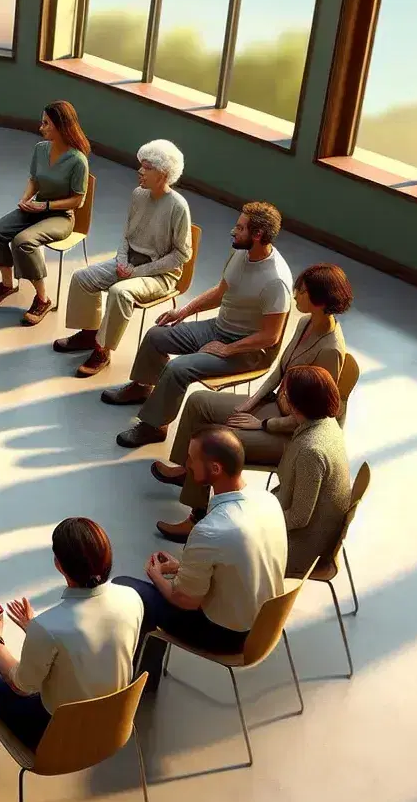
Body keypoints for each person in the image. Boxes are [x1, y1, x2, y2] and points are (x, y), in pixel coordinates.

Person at [152, 263, 353, 536]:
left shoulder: (330, 349)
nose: (295, 295)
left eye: (302, 291)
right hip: (276, 405)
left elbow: (313, 416)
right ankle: (189, 471)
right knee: (199, 401)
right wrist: (253, 400)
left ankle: (197, 517)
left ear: (318, 299)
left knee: (220, 440)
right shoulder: (306, 322)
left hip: (290, 432)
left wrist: (262, 424)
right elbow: (280, 370)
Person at [0, 518, 143, 786]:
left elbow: (21, 686)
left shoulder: (48, 627)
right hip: (113, 729)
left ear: (59, 564)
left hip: (55, 739)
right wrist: (35, 629)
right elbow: (91, 647)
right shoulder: (131, 598)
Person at [103, 202, 292, 448]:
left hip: (248, 351)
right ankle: (142, 388)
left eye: (240, 227)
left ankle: (155, 426)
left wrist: (228, 349)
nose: (233, 231)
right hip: (218, 328)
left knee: (178, 369)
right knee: (156, 336)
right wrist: (183, 311)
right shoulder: (240, 252)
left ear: (257, 235)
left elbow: (270, 336)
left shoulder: (276, 281)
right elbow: (221, 292)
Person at [115, 427, 287, 658]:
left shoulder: (210, 530)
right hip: (265, 624)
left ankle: (144, 675)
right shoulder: (268, 500)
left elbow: (184, 600)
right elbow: (238, 563)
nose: (187, 464)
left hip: (226, 636)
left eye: (192, 459)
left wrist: (155, 574)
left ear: (215, 468)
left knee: (124, 586)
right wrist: (183, 568)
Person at [52, 139, 194, 375]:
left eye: (147, 167)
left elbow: (182, 254)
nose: (140, 171)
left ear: (163, 174)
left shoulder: (178, 207)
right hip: (127, 263)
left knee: (120, 292)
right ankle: (90, 333)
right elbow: (126, 236)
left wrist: (136, 272)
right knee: (82, 278)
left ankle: (102, 350)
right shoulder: (138, 194)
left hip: (159, 274)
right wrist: (122, 262)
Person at [0, 101, 92, 326]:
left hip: (60, 217)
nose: (41, 127)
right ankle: (7, 284)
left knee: (23, 241)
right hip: (35, 208)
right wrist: (24, 199)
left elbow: (78, 201)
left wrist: (46, 207)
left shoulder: (78, 160)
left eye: (46, 123)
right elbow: (33, 180)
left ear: (60, 126)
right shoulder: (40, 149)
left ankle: (42, 298)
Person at [270, 366, 352, 579]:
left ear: (297, 405)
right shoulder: (328, 423)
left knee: (229, 544)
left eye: (285, 394)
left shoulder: (311, 451)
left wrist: (260, 522)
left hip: (302, 548)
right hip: (318, 530)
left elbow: (298, 518)